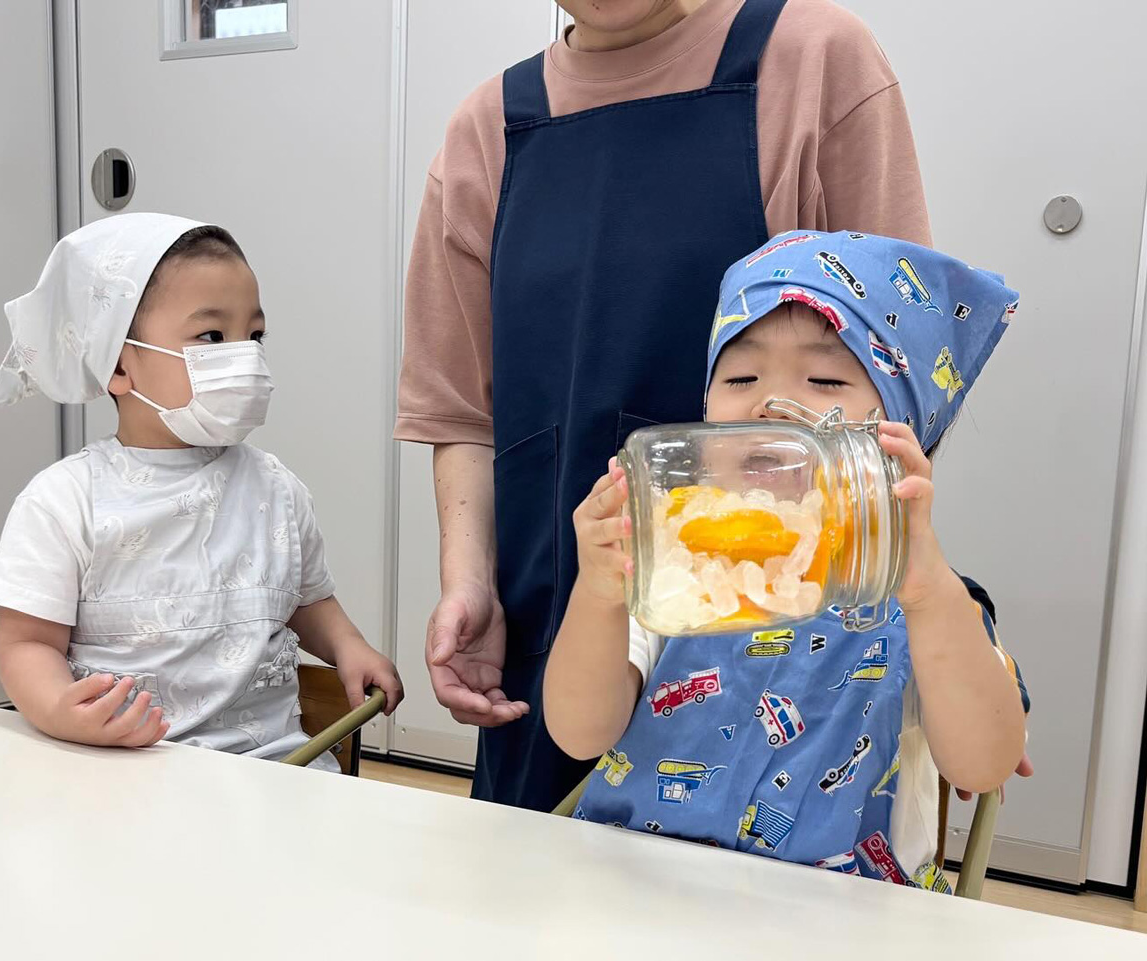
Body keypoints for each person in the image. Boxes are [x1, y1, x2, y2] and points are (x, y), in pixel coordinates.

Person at [398, 0, 937, 810]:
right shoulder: (489, 129)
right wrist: (468, 580)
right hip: (562, 616)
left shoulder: (816, 59)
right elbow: (462, 412)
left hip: (781, 631)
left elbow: (899, 370)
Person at [545, 230, 1028, 888]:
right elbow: (578, 733)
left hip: (840, 919)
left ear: (899, 431)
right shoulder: (681, 569)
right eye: (741, 375)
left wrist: (930, 592)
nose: (771, 402)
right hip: (646, 890)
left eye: (826, 377)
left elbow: (983, 764)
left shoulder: (931, 603)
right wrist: (598, 594)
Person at [0, 213, 402, 759]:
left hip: (275, 769)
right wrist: (62, 709)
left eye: (254, 335)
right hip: (125, 772)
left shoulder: (276, 488)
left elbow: (307, 599)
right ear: (119, 366)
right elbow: (27, 642)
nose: (244, 356)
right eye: (211, 336)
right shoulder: (65, 500)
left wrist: (347, 645)